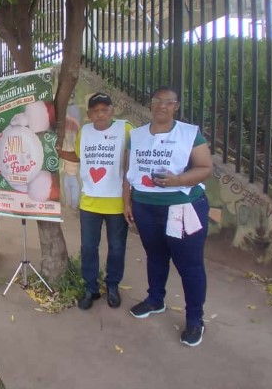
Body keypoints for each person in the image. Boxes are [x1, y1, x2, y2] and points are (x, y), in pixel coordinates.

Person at [123, 86, 213, 347]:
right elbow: (128, 172)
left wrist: (178, 180)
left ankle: (195, 319)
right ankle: (155, 300)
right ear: (150, 105)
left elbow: (205, 168)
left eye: (168, 102)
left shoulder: (188, 133)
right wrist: (127, 202)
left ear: (176, 106)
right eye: (157, 101)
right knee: (155, 256)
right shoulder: (137, 136)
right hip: (145, 206)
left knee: (190, 265)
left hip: (182, 208)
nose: (162, 106)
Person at [57, 93, 133, 310]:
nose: (101, 114)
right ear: (89, 114)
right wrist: (58, 152)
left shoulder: (126, 129)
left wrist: (130, 200)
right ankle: (91, 288)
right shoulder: (85, 132)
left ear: (112, 111)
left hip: (117, 203)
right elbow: (79, 157)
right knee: (89, 247)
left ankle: (112, 286)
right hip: (89, 202)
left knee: (117, 248)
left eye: (105, 109)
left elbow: (132, 165)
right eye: (96, 111)